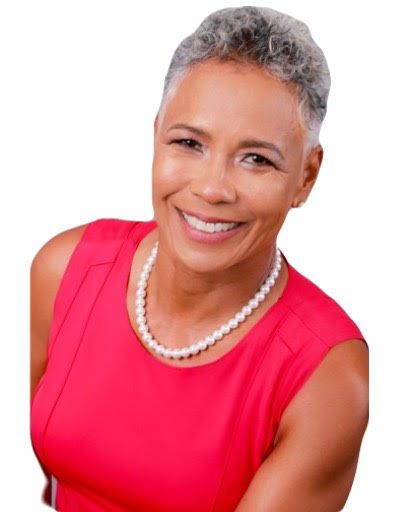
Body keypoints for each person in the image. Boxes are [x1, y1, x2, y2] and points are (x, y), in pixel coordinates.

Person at [30, 6, 369, 511]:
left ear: (306, 177)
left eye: (257, 159)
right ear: (155, 136)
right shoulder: (64, 270)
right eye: (189, 143)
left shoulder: (325, 374)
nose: (211, 189)